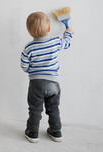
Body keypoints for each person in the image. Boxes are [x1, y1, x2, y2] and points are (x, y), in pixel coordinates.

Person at [20, 11, 73, 143]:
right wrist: (69, 32)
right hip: (53, 83)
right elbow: (66, 43)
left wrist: (31, 70)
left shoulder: (28, 48)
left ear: (29, 31)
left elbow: (24, 66)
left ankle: (32, 133)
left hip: (36, 84)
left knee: (35, 110)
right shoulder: (55, 42)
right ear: (49, 28)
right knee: (53, 108)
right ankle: (56, 132)